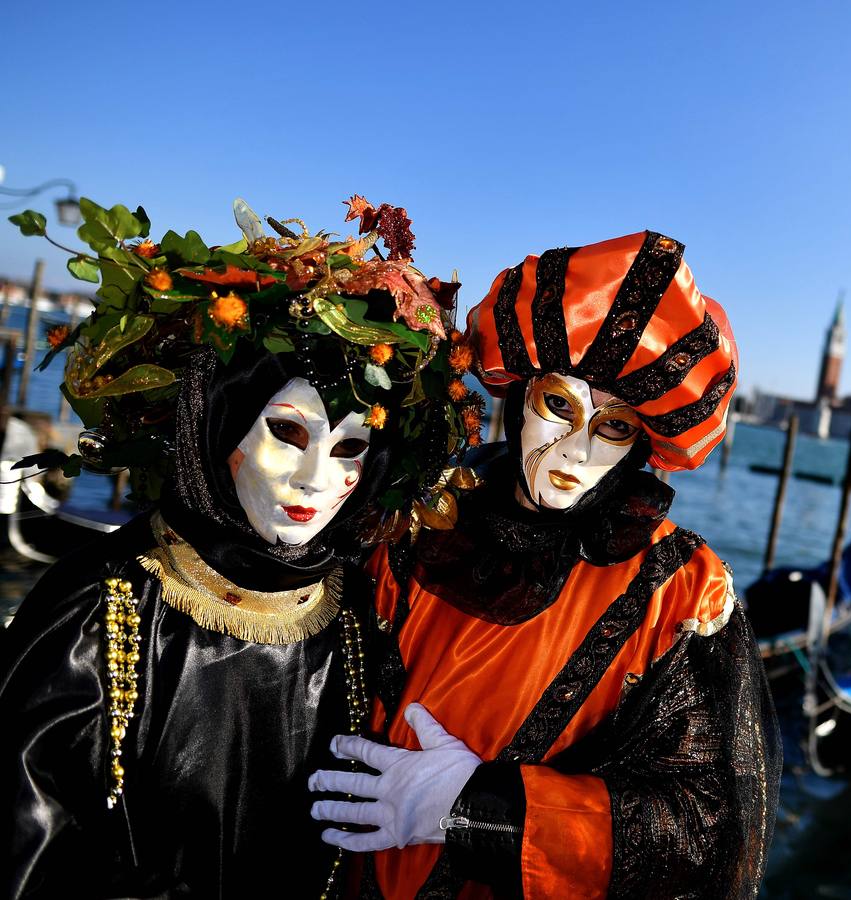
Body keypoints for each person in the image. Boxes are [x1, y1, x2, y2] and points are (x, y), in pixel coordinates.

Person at [0, 196, 481, 897]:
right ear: (219, 425)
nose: (317, 479)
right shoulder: (95, 613)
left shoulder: (361, 616)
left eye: (349, 448)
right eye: (287, 434)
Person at [309, 230, 781, 899]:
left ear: (639, 443)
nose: (575, 452)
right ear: (520, 395)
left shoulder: (678, 591)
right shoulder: (416, 513)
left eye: (613, 428)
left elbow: (708, 830)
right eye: (559, 407)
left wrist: (483, 812)